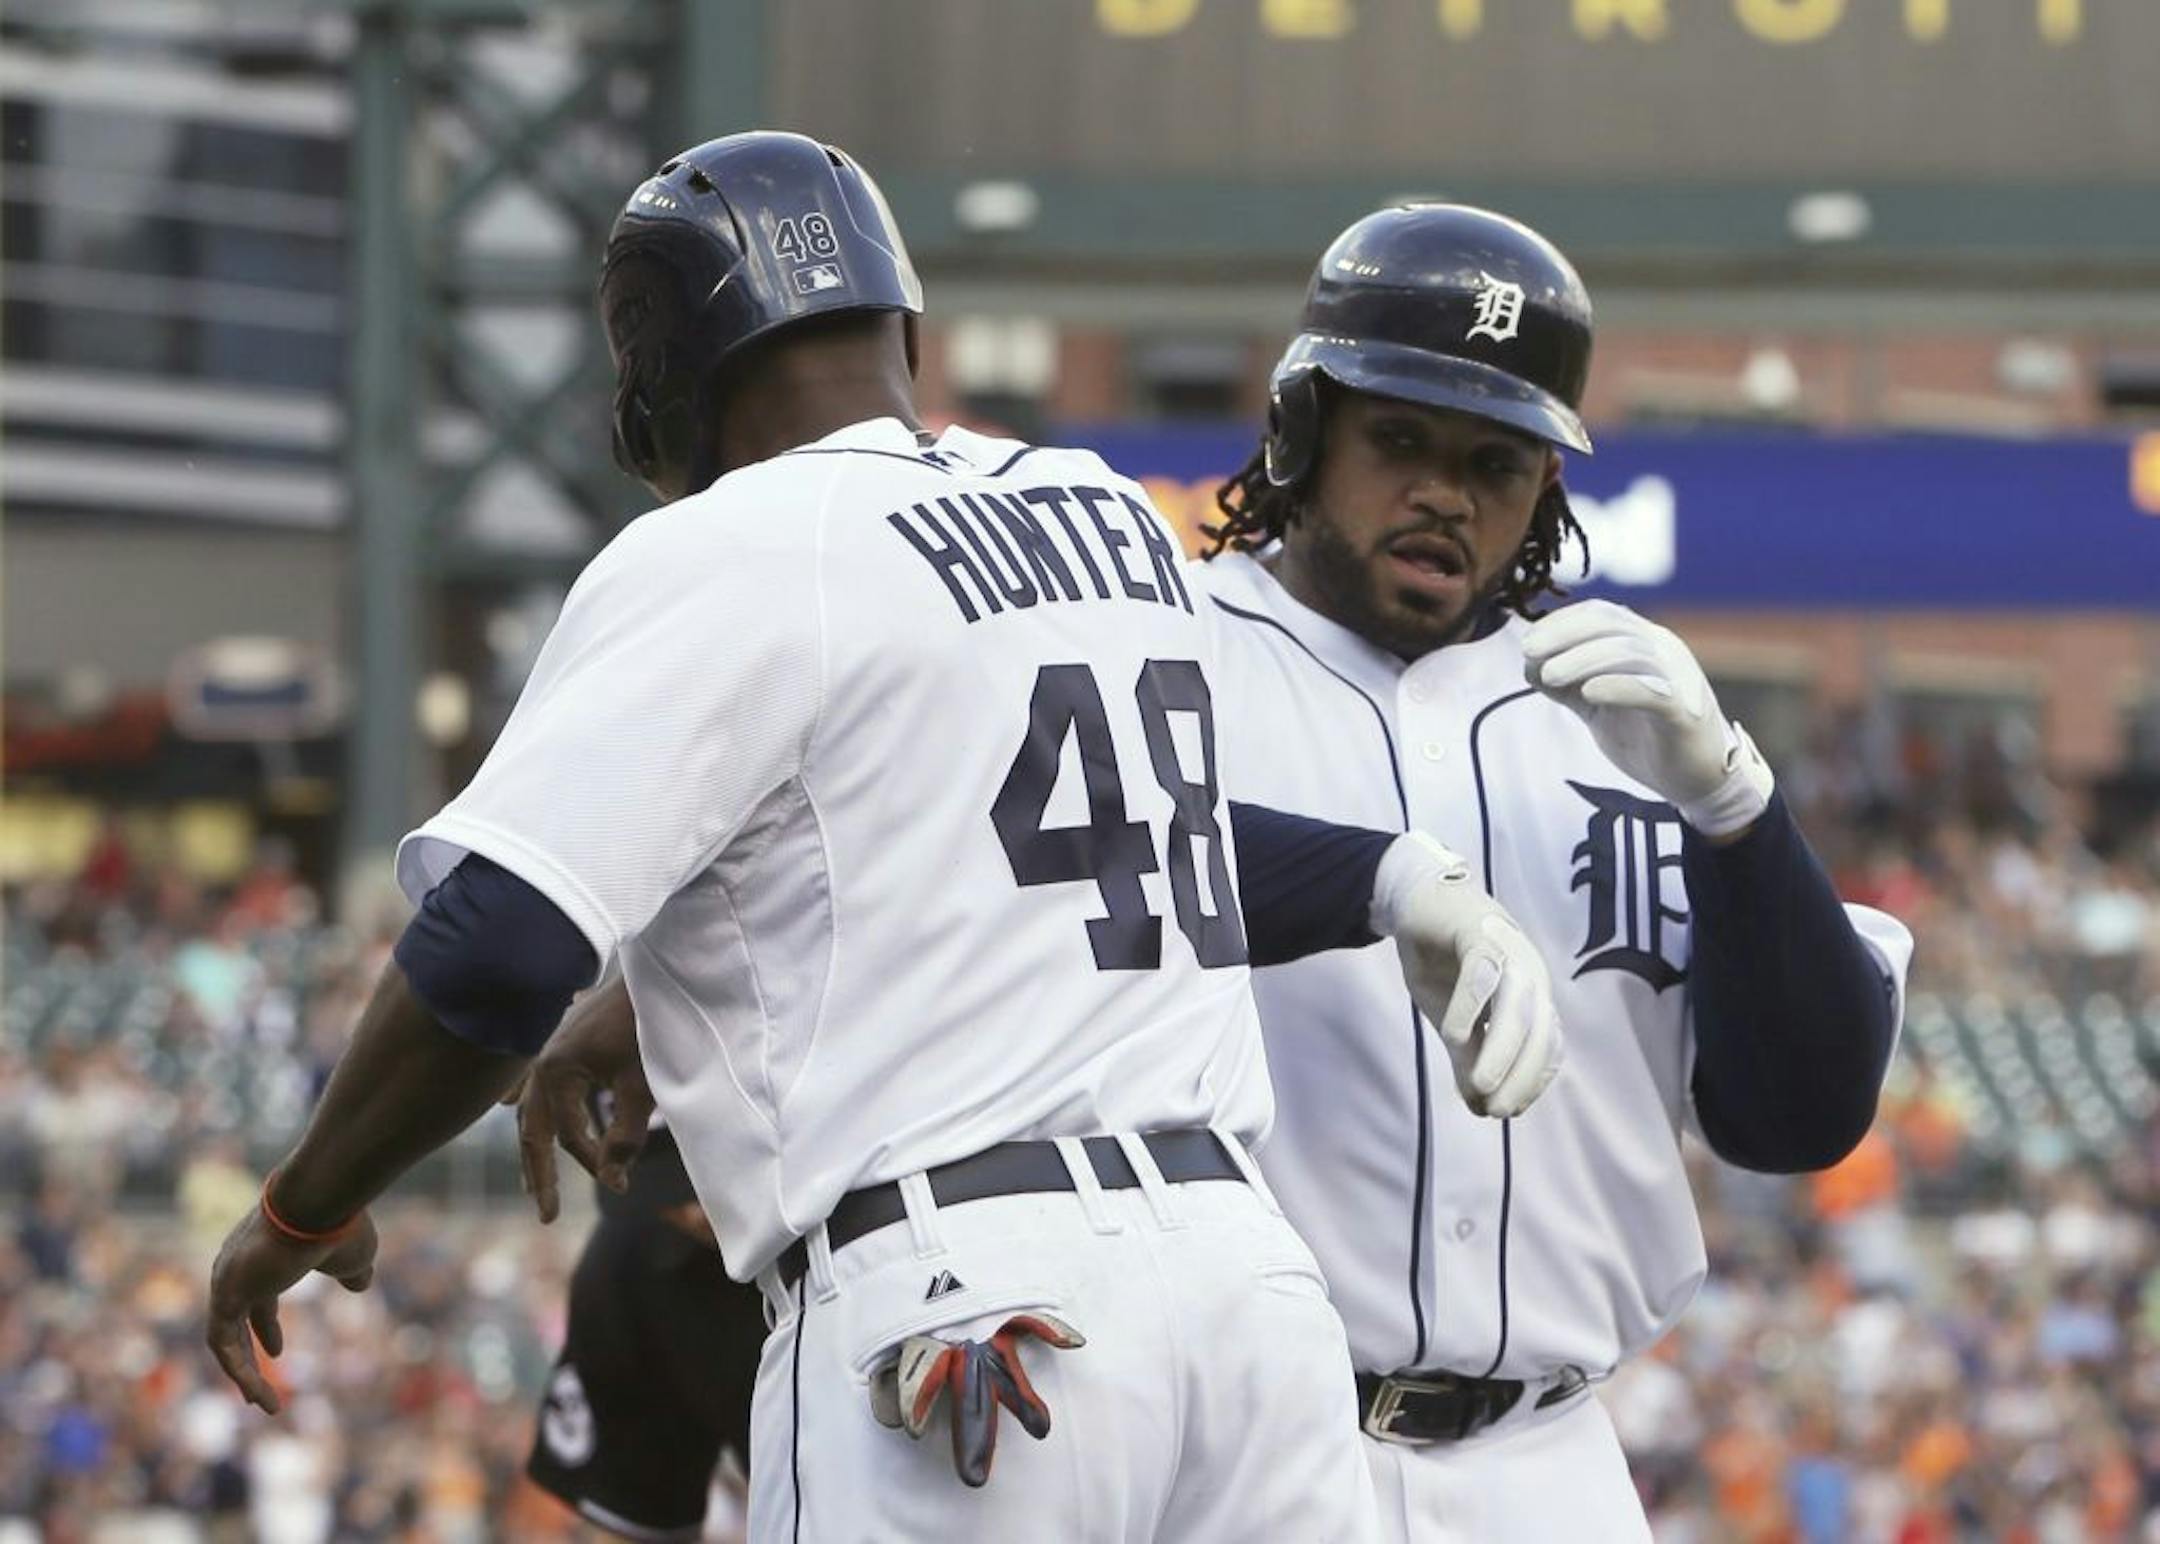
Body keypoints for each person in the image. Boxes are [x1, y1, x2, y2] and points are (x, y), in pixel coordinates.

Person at [202, 133, 1566, 1543]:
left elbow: (493, 956)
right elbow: (1139, 843)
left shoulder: (730, 544)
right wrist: (1404, 880)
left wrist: (304, 1211)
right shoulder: (1103, 510)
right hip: (1252, 1310)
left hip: (966, 1310)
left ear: (654, 389)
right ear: (906, 330)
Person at [1195, 202, 1916, 1541]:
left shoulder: (1629, 709)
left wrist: (1737, 810)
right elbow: (1080, 887)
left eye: (1499, 462)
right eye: (1400, 438)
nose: (1447, 496)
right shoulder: (1164, 659)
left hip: (1552, 1473)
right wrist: (1383, 883)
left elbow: (1798, 1117)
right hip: (1244, 1452)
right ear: (1302, 430)